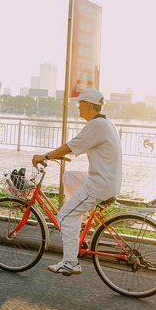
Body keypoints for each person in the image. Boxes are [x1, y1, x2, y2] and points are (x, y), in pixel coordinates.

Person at [31, 88, 122, 276]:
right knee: (69, 177)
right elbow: (78, 145)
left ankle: (71, 262)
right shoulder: (104, 124)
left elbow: (70, 146)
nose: (78, 106)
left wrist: (46, 156)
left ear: (88, 104)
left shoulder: (96, 126)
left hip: (99, 184)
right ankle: (82, 219)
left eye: (80, 103)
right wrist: (63, 154)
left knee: (64, 215)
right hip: (107, 180)